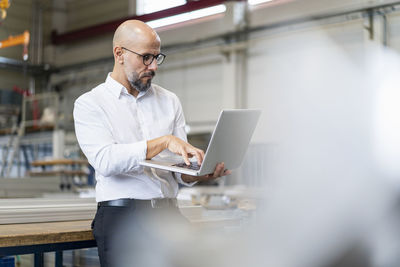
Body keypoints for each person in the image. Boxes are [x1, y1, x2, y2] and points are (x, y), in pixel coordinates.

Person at [73, 20, 231, 267]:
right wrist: (164, 141)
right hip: (122, 217)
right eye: (146, 57)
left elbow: (178, 171)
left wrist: (198, 173)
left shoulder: (169, 101)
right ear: (119, 54)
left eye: (157, 57)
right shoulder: (90, 104)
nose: (154, 66)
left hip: (169, 213)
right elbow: (105, 161)